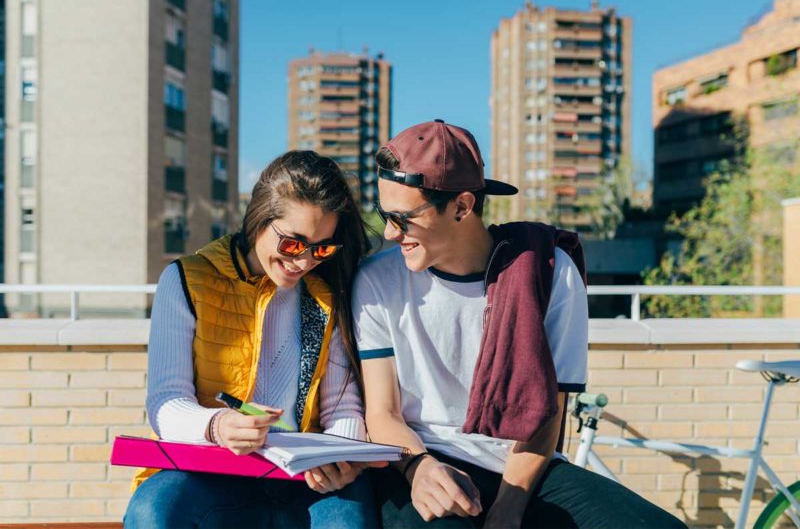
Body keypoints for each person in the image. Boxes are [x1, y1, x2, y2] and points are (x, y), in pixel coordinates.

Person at [355, 119, 687, 528]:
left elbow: (548, 414)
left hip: (522, 466)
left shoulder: (551, 273)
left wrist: (509, 507)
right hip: (419, 459)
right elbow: (383, 413)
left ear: (462, 206)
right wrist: (418, 468)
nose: (389, 233)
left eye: (403, 218)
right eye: (384, 215)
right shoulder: (376, 280)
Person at [124, 150, 380, 529]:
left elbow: (341, 408)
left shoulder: (326, 294)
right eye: (293, 243)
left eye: (322, 247)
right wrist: (219, 426)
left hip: (303, 478)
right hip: (211, 471)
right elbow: (166, 403)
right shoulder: (187, 280)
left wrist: (340, 456)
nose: (304, 261)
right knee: (154, 511)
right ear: (260, 218)